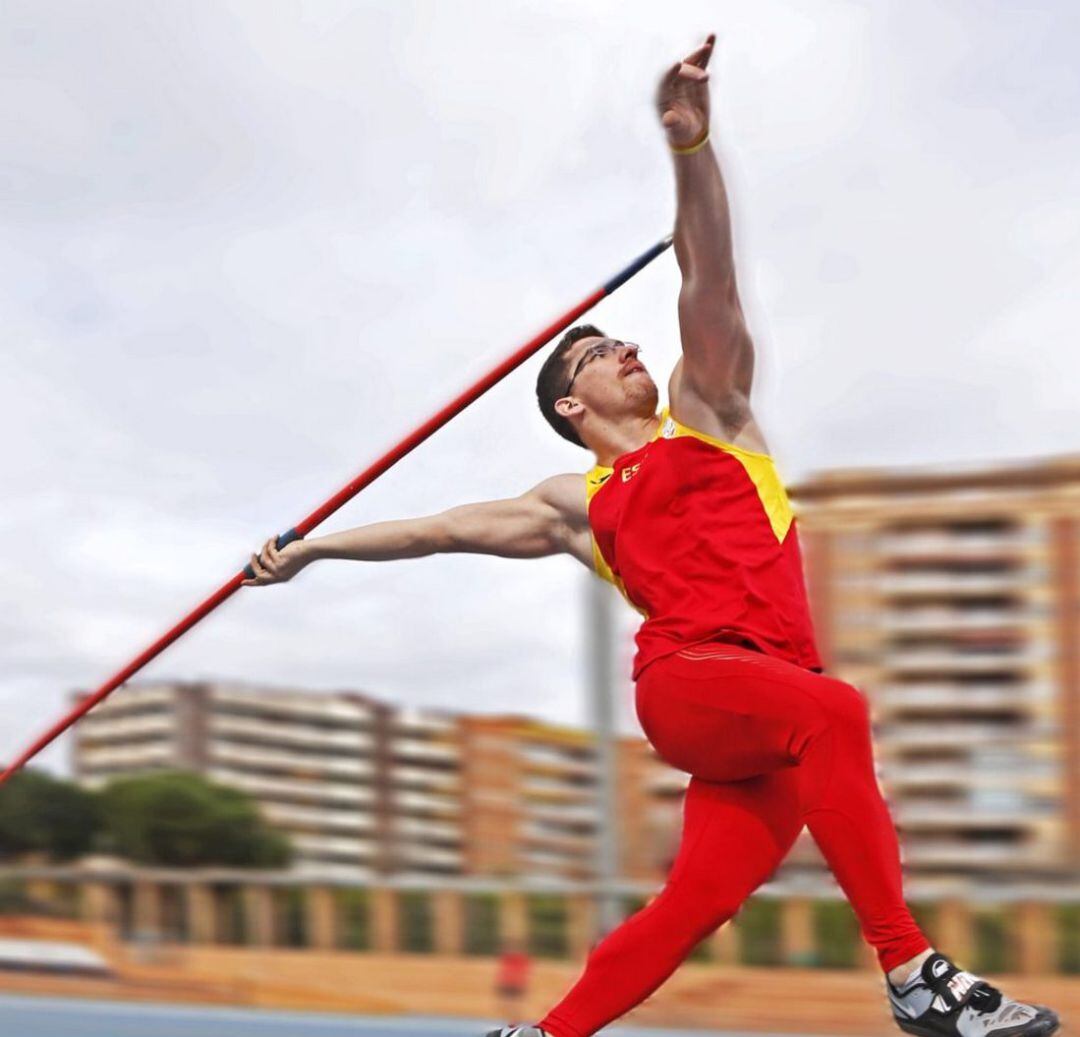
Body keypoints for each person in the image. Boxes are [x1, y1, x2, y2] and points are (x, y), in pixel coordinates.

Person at [243, 33, 1059, 1037]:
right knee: (837, 712)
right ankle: (912, 972)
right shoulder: (577, 499)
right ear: (569, 406)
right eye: (595, 351)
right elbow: (436, 530)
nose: (626, 346)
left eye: (623, 338)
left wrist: (691, 148)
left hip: (769, 711)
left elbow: (707, 271)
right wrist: (313, 547)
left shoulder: (712, 409)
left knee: (696, 902)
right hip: (694, 683)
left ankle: (545, 1034)